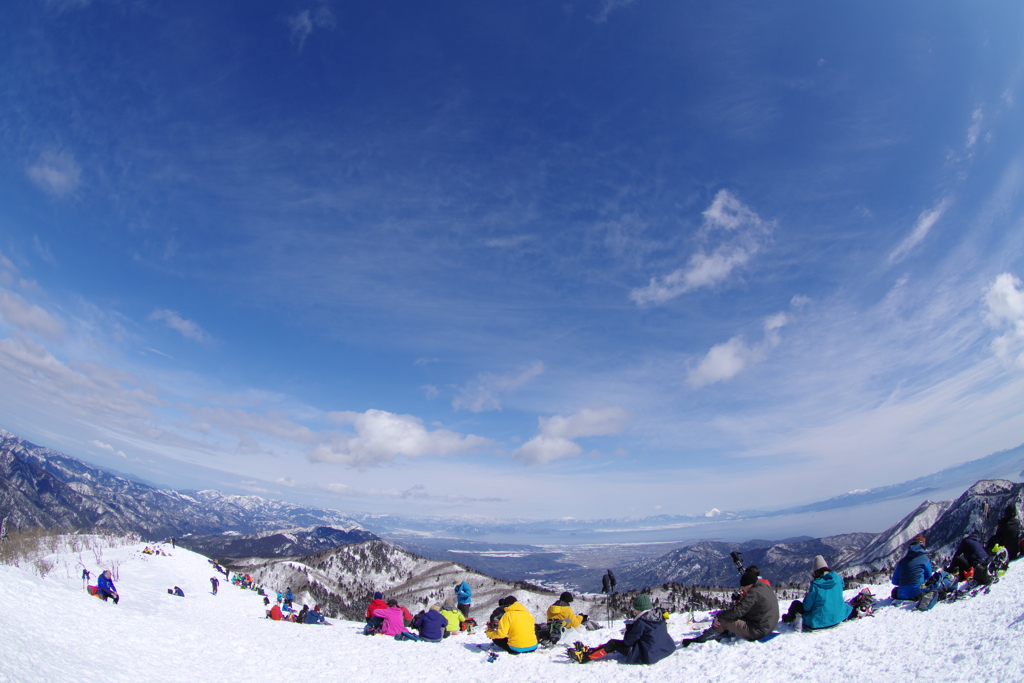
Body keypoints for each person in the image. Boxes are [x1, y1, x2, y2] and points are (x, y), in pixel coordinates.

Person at [569, 593, 674, 664]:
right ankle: (593, 651)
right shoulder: (659, 616)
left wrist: (630, 627)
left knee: (613, 644)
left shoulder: (642, 622)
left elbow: (628, 642)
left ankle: (585, 657)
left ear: (638, 608)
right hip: (665, 649)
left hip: (647, 655)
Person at [684, 568, 779, 645]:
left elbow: (737, 611)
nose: (742, 589)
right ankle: (721, 631)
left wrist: (720, 615)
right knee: (731, 616)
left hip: (758, 630)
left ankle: (700, 640)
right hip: (768, 625)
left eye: (743, 587)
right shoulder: (763, 586)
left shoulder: (753, 593)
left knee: (723, 621)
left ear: (748, 585)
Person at [781, 556, 851, 631]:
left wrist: (807, 597)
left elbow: (806, 607)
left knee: (795, 604)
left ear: (815, 572)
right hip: (838, 618)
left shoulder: (816, 585)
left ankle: (790, 618)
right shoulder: (838, 580)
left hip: (818, 623)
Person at [891, 535, 933, 600]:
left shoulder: (902, 561)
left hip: (901, 595)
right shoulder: (925, 559)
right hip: (918, 593)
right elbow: (929, 576)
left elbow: (894, 581)